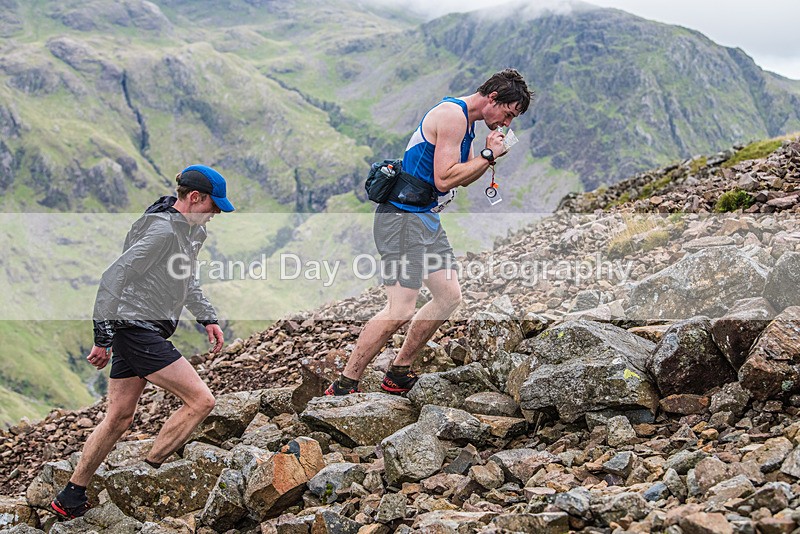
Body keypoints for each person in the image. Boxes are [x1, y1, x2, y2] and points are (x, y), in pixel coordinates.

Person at [326, 68, 533, 396]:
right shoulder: (452, 116)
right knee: (400, 310)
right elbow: (444, 179)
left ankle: (398, 372)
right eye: (507, 114)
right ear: (492, 98)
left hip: (425, 219)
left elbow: (463, 178)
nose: (507, 124)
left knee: (449, 296)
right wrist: (488, 154)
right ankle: (344, 384)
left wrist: (487, 157)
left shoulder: (470, 124)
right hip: (401, 220)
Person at [50, 165, 235, 519]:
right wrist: (102, 337)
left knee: (118, 417)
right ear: (194, 198)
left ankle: (71, 495)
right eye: (213, 206)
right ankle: (146, 473)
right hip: (136, 328)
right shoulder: (163, 231)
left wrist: (207, 316)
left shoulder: (187, 232)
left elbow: (185, 279)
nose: (215, 214)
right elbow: (113, 277)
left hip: (137, 329)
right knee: (201, 400)